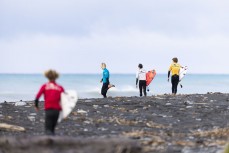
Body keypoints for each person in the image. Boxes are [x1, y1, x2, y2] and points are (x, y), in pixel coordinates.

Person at [34, 69, 64, 135]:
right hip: (57, 111)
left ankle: (49, 143)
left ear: (47, 76)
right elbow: (64, 100)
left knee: (48, 129)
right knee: (53, 128)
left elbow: (37, 97)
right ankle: (53, 141)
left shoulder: (44, 86)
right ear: (56, 77)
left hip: (49, 109)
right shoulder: (60, 87)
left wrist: (36, 106)